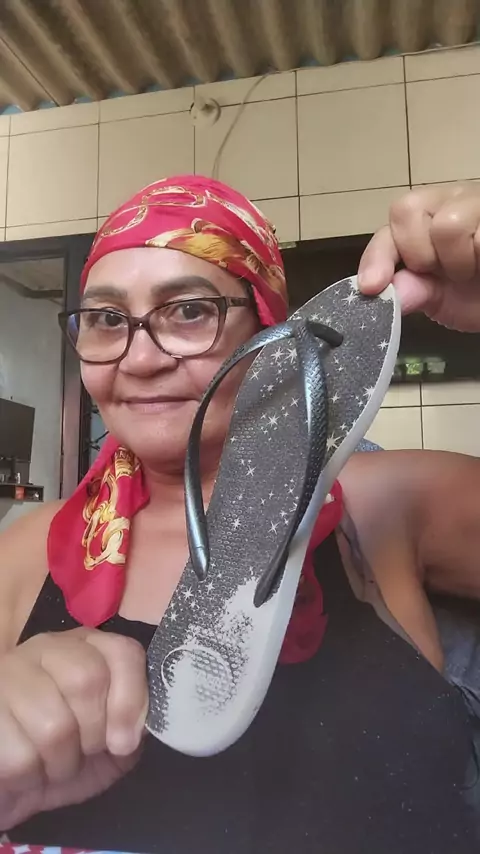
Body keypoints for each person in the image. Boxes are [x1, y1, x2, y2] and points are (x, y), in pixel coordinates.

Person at [0, 176, 480, 854]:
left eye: (189, 311)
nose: (140, 357)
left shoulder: (385, 504)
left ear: (270, 333)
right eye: (106, 319)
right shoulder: (25, 552)